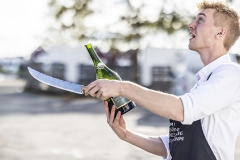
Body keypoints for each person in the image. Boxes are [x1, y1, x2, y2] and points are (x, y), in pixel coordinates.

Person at [84, 1, 240, 160]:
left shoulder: (231, 74)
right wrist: (126, 135)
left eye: (200, 20)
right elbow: (173, 145)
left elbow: (181, 109)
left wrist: (123, 88)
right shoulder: (205, 82)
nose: (191, 24)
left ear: (220, 33)